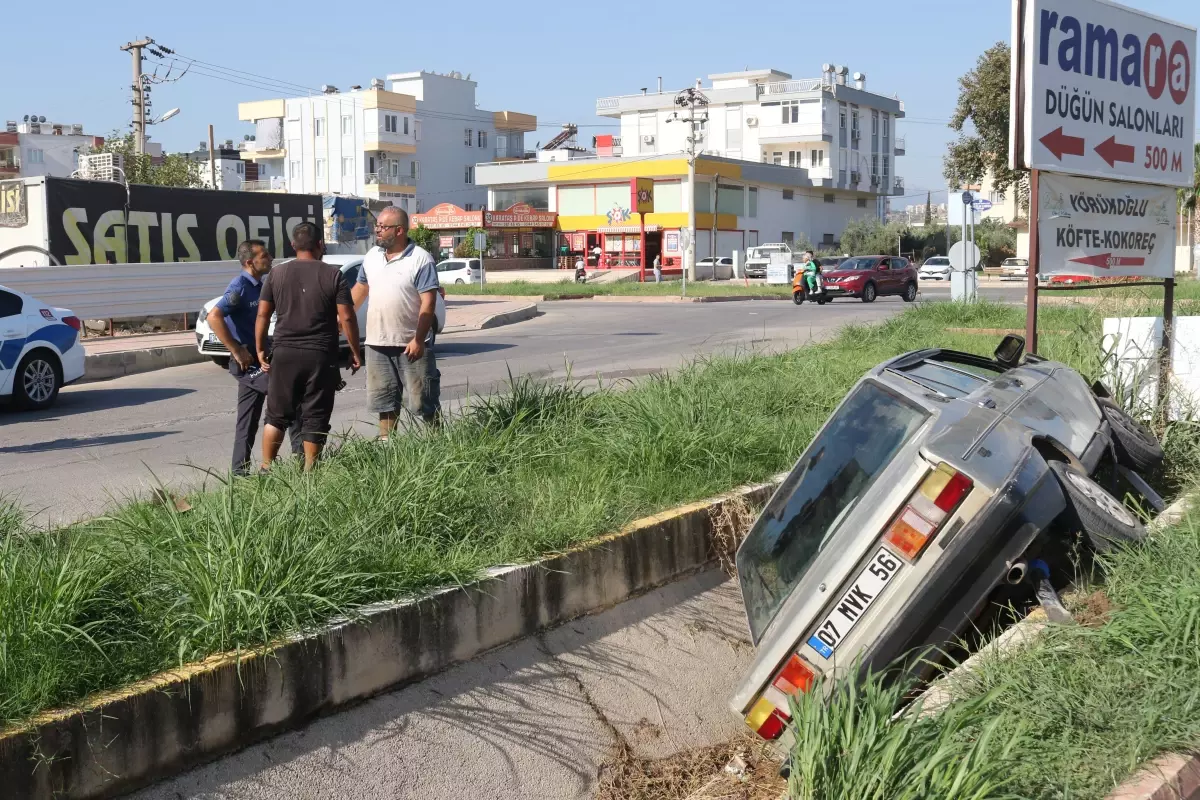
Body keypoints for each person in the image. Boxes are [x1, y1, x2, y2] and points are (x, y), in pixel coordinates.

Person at [256, 222, 361, 471]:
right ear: (320, 245)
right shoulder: (333, 275)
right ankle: (309, 473)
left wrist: (260, 348)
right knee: (316, 415)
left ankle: (266, 467)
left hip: (283, 353)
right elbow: (347, 317)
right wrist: (356, 352)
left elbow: (262, 315)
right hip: (320, 356)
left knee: (276, 416)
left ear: (293, 245)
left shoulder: (277, 274)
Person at [206, 240, 302, 475]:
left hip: (261, 353)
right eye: (265, 255)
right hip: (248, 359)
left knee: (247, 419)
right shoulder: (239, 287)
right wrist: (236, 349)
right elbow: (214, 317)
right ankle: (302, 462)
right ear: (250, 262)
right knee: (288, 401)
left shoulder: (260, 285)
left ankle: (239, 473)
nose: (270, 258)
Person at [352, 206, 442, 439]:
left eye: (383, 227)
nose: (377, 231)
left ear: (399, 230)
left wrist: (418, 339)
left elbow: (428, 303)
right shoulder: (372, 257)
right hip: (376, 344)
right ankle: (386, 449)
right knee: (385, 403)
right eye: (377, 226)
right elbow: (360, 290)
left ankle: (438, 445)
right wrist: (340, 319)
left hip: (410, 345)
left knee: (424, 402)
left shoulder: (420, 258)